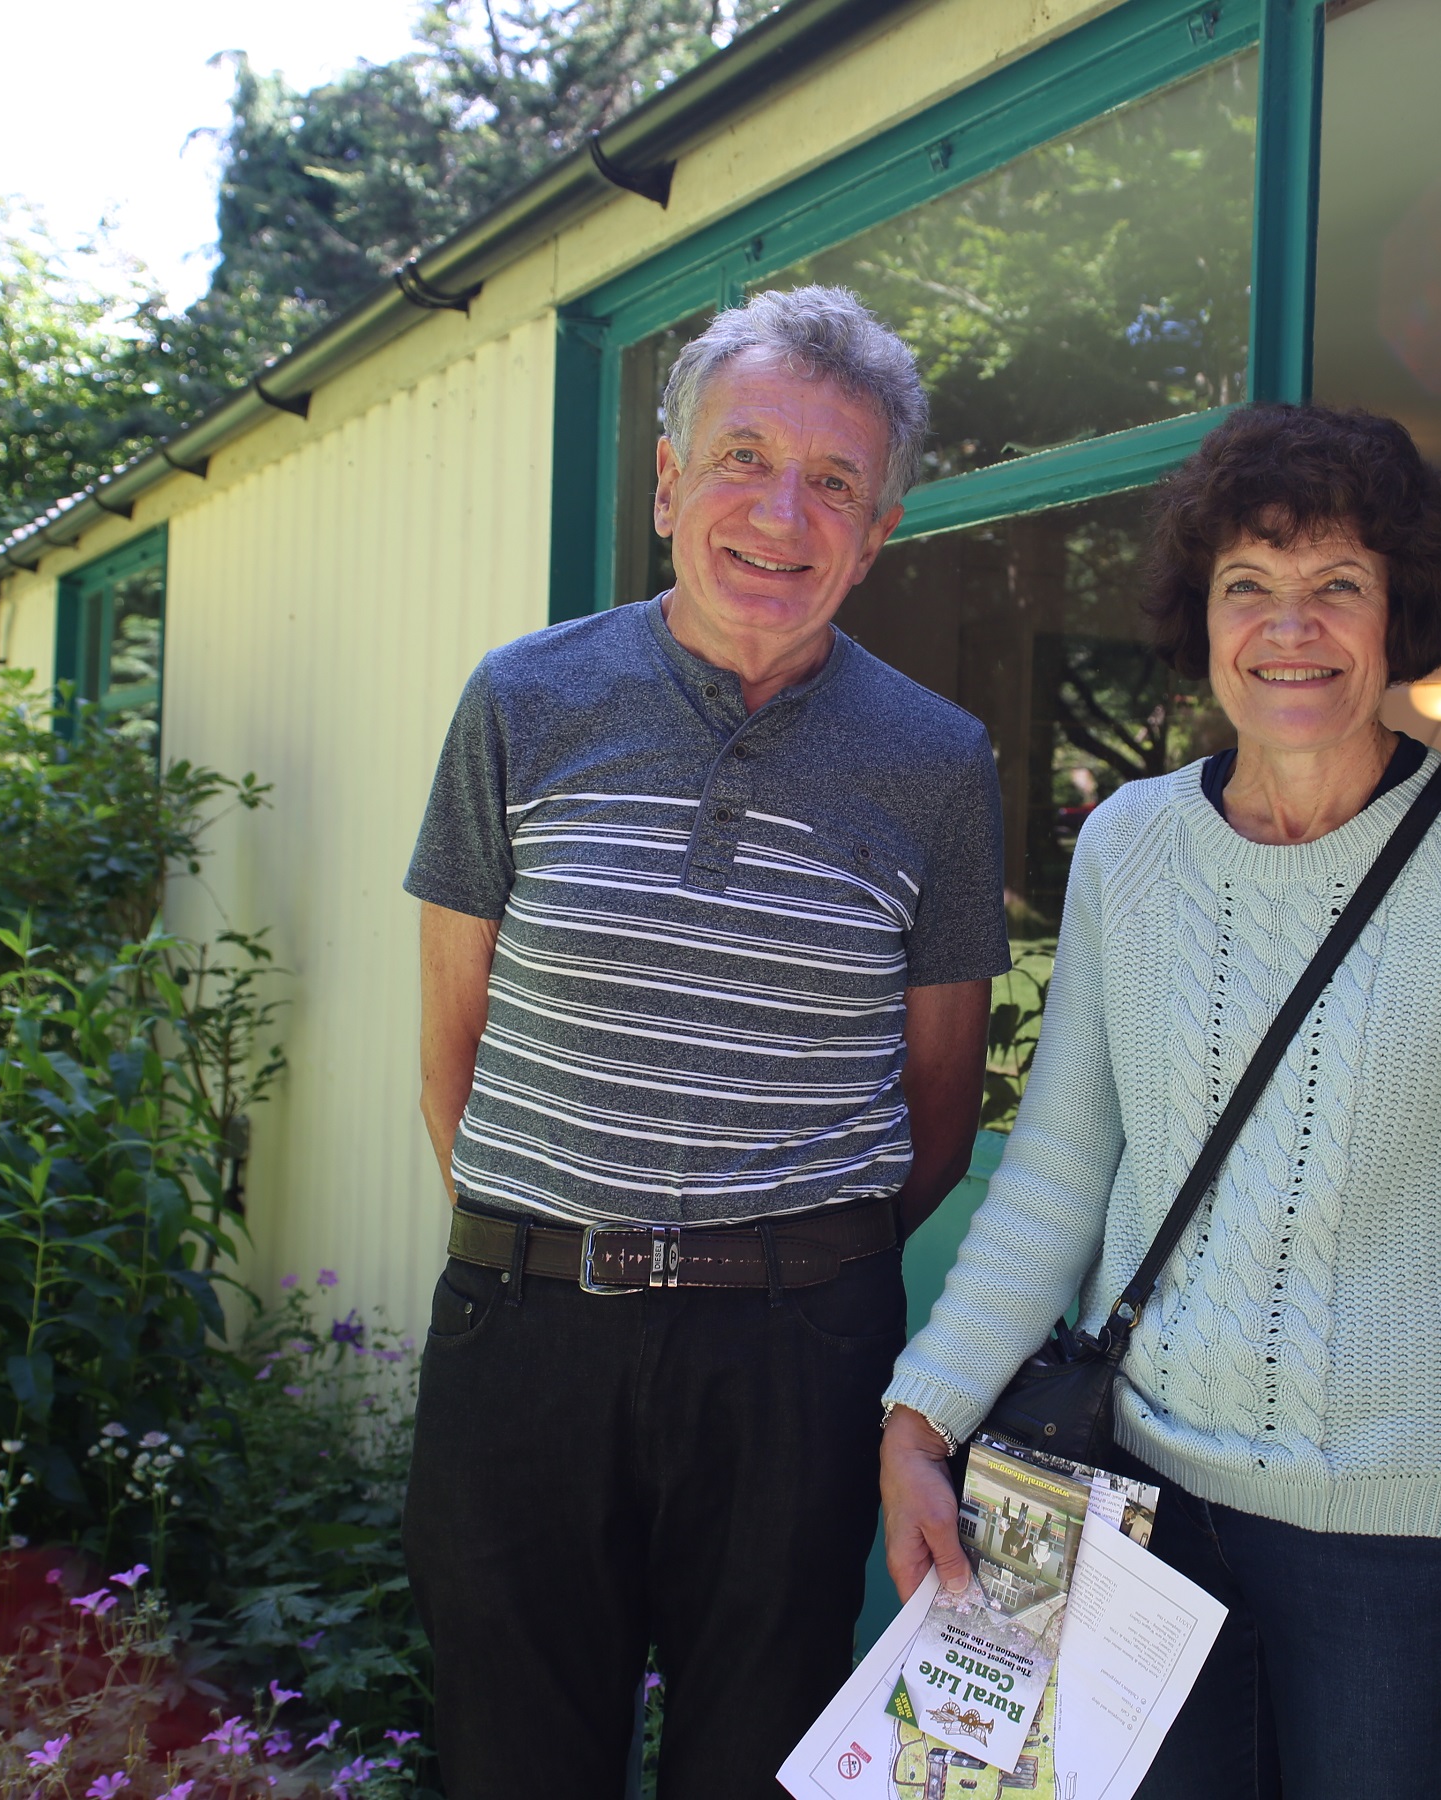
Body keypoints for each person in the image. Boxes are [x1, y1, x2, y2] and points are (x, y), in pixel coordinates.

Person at [878, 403, 1441, 1798]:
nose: (1293, 627)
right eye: (1249, 588)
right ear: (1201, 617)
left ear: (1399, 617)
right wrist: (921, 1416)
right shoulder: (1128, 847)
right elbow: (1059, 1175)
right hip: (1134, 1504)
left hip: (1398, 1551)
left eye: (1339, 585)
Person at [401, 286, 1010, 1798]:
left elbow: (939, 1102)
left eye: (835, 483)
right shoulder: (519, 703)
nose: (782, 514)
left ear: (876, 535)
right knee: (513, 1766)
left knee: (764, 1767)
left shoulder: (940, 763)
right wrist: (559, 1246)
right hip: (526, 1331)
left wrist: (792, 1281)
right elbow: (453, 1051)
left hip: (797, 1360)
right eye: (742, 458)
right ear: (668, 484)